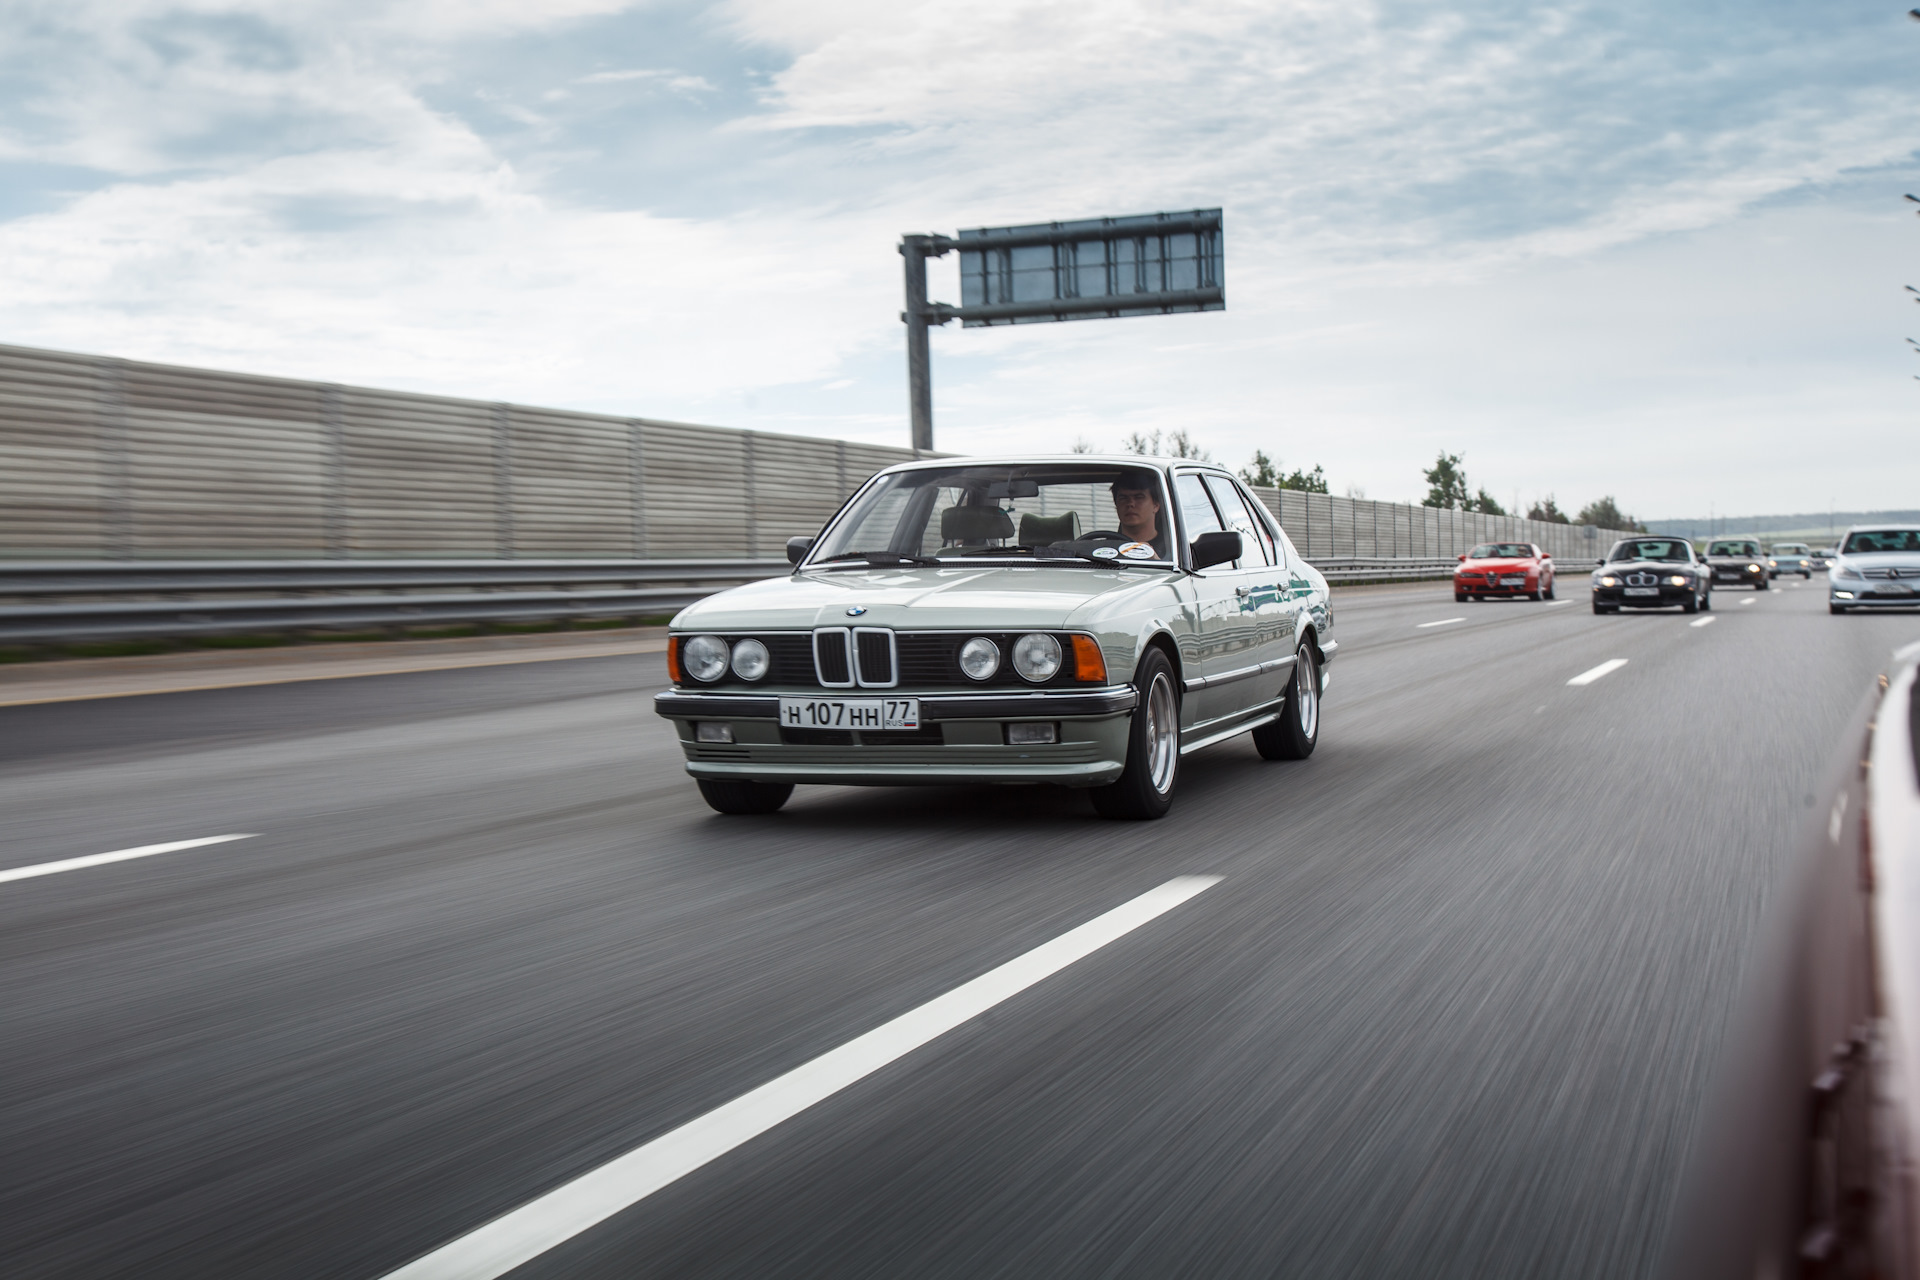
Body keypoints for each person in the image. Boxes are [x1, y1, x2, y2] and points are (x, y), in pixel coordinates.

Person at [1109, 471, 1168, 557]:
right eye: (1123, 498)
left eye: (1139, 497)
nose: (1130, 503)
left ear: (1156, 505)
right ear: (1116, 504)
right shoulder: (1106, 549)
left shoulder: (1173, 550)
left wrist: (1156, 561)